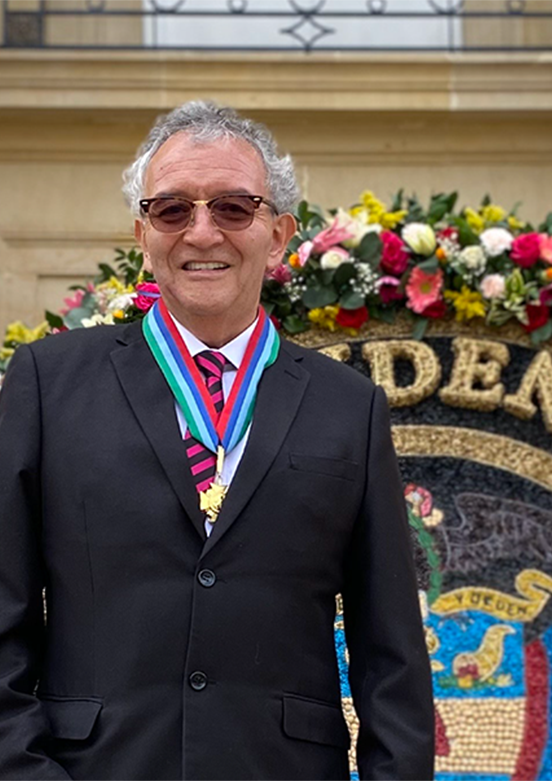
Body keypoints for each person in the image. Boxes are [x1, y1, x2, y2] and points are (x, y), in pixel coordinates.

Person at [0, 100, 434, 781]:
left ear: (279, 233)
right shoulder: (46, 385)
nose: (202, 232)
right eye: (173, 209)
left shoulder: (350, 407)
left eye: (234, 207)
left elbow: (393, 658)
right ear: (142, 232)